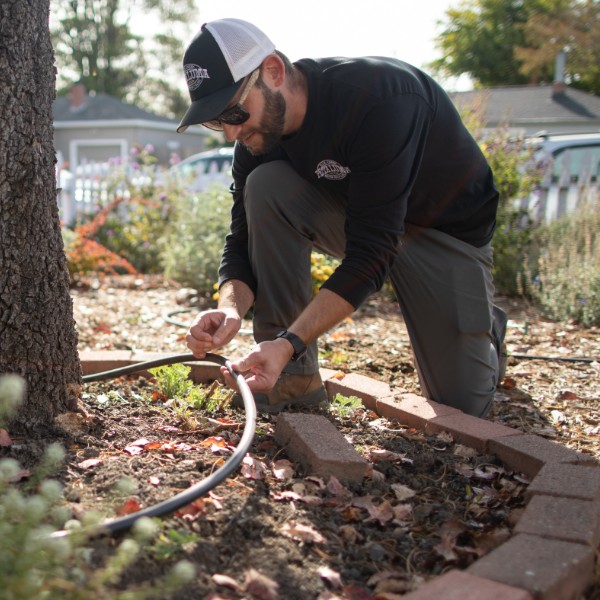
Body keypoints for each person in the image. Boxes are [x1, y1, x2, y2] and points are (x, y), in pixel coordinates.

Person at [177, 18, 507, 417]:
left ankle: (483, 324)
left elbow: (372, 253)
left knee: (463, 410)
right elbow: (241, 239)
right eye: (217, 121)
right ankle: (290, 380)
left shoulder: (381, 99)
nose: (229, 134)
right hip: (366, 227)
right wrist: (231, 308)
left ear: (273, 71)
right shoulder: (259, 137)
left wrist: (287, 340)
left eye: (233, 112)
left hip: (443, 237)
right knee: (265, 185)